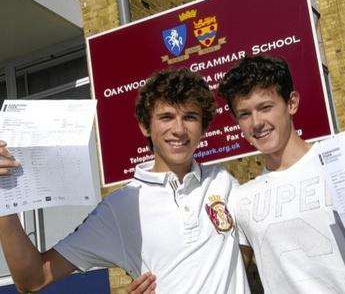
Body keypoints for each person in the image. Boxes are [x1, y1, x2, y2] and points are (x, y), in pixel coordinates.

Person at [128, 56, 345, 293]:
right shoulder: (240, 197)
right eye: (244, 114)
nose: (256, 123)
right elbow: (218, 273)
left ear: (291, 103)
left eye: (266, 107)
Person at [0, 68, 249, 293]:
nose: (179, 129)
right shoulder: (121, 206)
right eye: (166, 117)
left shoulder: (223, 181)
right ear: (144, 126)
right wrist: (3, 199)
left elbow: (244, 252)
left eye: (190, 117)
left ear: (204, 127)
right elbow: (33, 278)